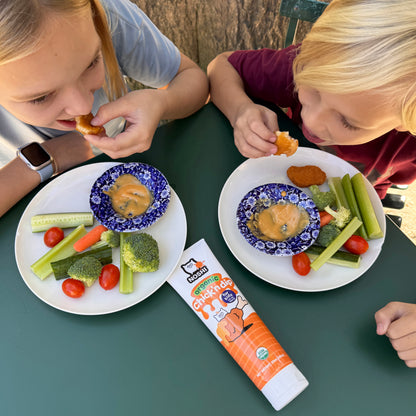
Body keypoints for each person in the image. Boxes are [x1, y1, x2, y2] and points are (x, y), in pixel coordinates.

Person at [207, 0, 416, 367]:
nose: (313, 123)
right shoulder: (315, 63)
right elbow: (221, 65)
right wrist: (240, 109)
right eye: (311, 89)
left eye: (348, 123)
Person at [0, 0, 208, 217]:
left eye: (91, 63)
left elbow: (191, 78)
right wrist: (48, 158)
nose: (83, 105)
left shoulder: (105, 14)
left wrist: (163, 102)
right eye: (40, 97)